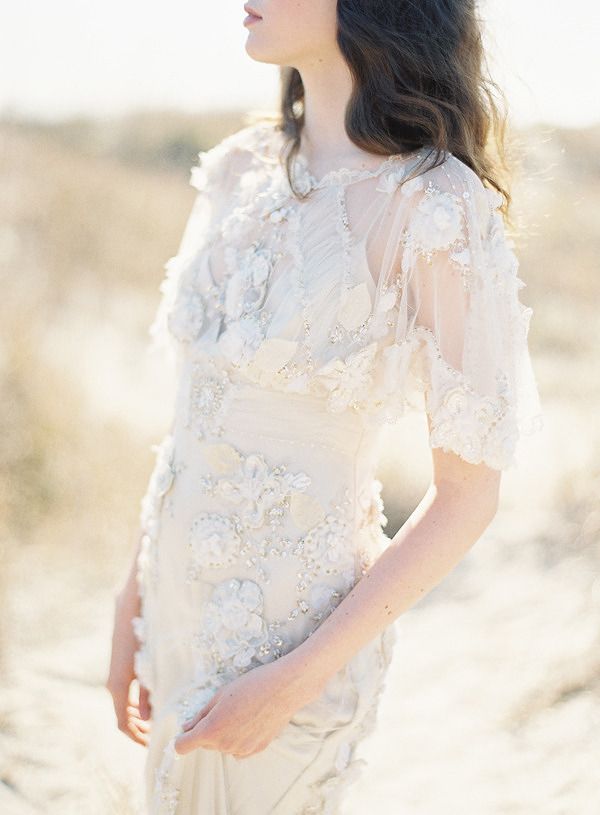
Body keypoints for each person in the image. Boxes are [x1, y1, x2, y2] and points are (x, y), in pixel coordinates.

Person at [106, 1, 543, 812]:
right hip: (170, 610)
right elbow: (194, 413)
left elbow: (467, 496)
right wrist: (129, 598)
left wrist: (292, 679)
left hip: (292, 642)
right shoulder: (239, 168)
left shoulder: (433, 204)